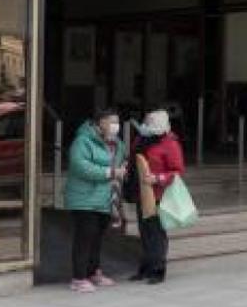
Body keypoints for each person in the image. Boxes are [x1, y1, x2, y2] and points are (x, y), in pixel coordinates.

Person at [66, 108, 126, 294]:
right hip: (84, 199)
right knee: (84, 238)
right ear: (100, 122)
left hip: (104, 199)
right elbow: (80, 166)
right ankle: (78, 278)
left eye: (117, 121)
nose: (116, 126)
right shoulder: (82, 141)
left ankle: (94, 273)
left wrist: (123, 167)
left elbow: (122, 159)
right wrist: (109, 173)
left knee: (97, 238)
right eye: (111, 121)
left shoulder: (116, 143)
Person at [130, 109, 185, 285]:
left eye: (149, 123)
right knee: (144, 230)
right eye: (145, 121)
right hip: (141, 191)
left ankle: (158, 268)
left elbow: (176, 171)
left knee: (156, 232)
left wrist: (158, 178)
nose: (145, 125)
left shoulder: (170, 143)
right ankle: (145, 267)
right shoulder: (140, 139)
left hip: (158, 193)